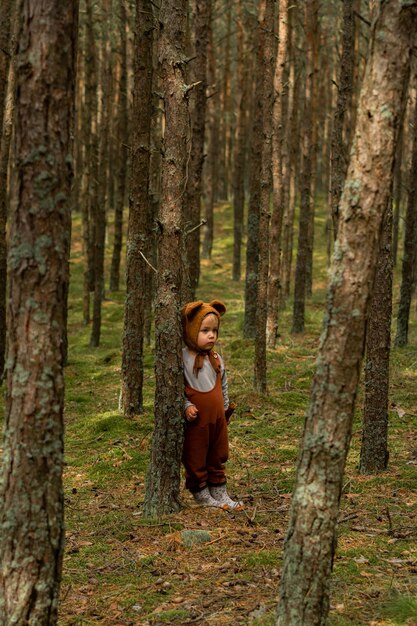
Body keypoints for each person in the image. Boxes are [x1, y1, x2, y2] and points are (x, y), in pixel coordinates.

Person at [181, 299, 243, 510]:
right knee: (196, 455)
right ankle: (202, 494)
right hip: (197, 422)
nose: (211, 335)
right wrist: (186, 405)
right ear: (190, 330)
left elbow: (222, 384)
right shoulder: (183, 359)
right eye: (205, 330)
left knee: (217, 454)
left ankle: (220, 492)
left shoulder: (216, 358)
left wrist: (225, 409)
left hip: (217, 420)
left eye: (214, 331)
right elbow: (175, 389)